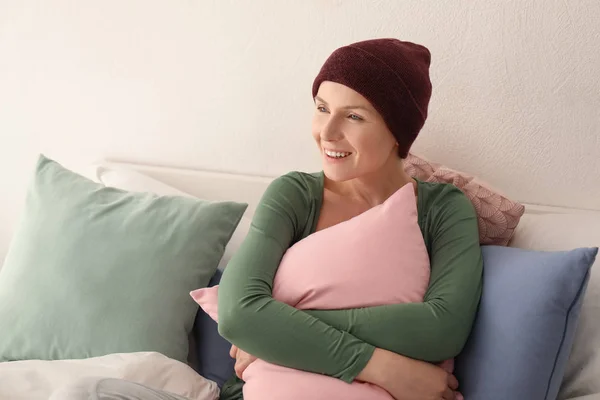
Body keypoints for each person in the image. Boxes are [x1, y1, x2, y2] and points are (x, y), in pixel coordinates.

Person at [51, 38, 482, 400]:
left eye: (354, 116)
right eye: (321, 107)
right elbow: (240, 316)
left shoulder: (442, 209)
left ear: (398, 131)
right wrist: (381, 366)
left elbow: (442, 329)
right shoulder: (295, 194)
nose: (327, 132)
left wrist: (276, 337)